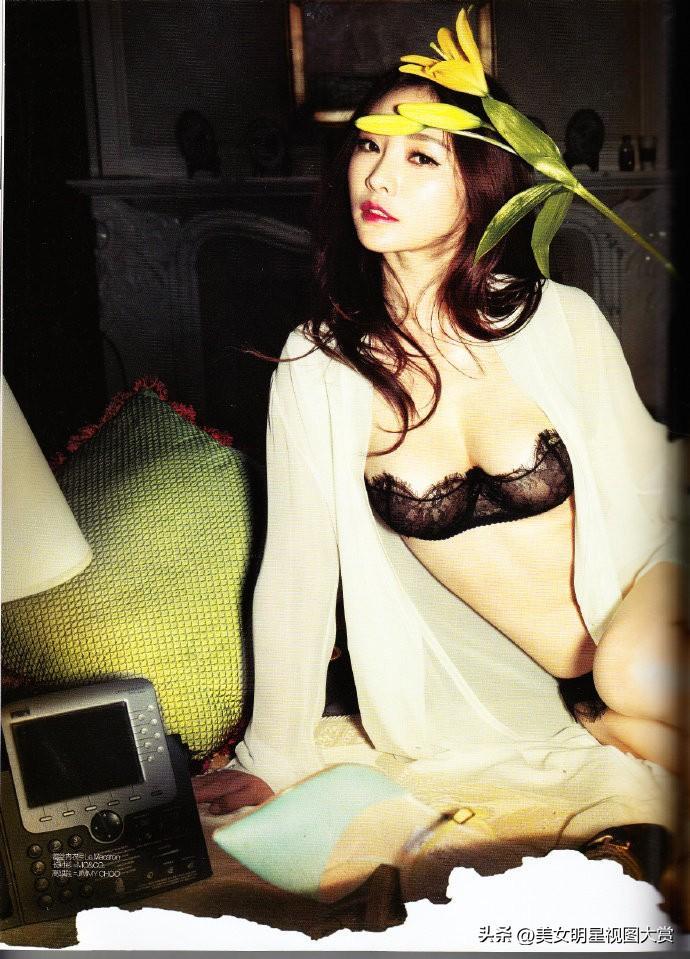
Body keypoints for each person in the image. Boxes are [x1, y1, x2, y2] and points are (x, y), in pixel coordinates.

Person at [194, 12, 684, 889]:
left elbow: (652, 489)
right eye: (368, 147)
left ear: (481, 183)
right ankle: (620, 726)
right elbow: (297, 568)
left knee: (627, 670)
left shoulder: (559, 320)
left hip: (649, 616)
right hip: (567, 694)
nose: (379, 175)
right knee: (622, 701)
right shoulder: (321, 366)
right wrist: (273, 749)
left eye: (422, 156)